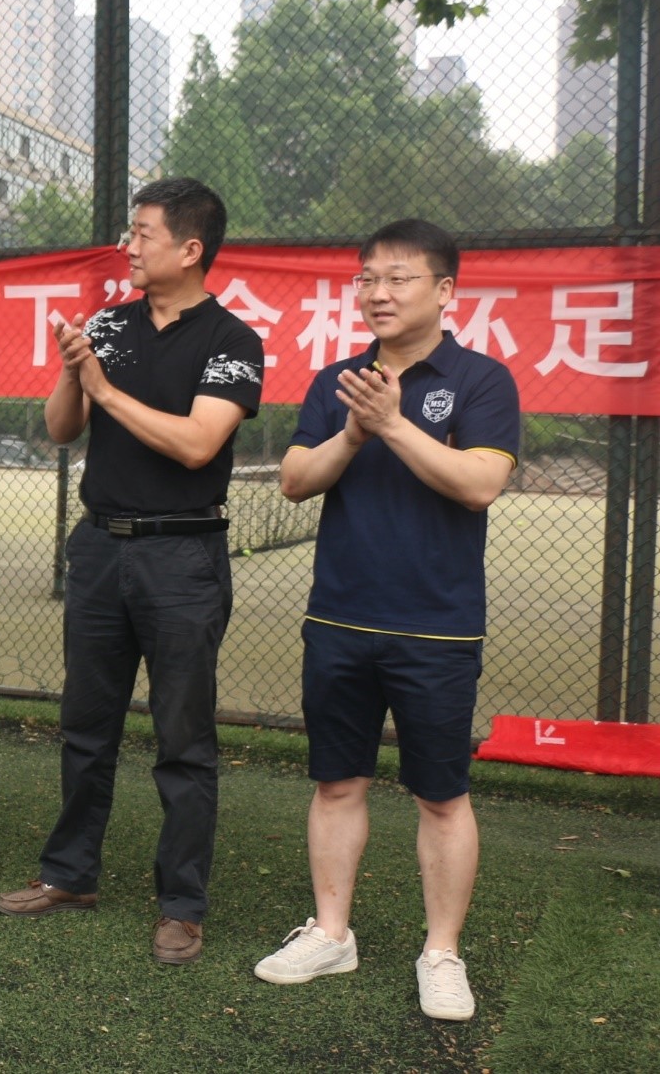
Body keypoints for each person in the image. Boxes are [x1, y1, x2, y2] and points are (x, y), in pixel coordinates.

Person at [253, 219, 518, 1022]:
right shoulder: (338, 380)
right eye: (366, 278)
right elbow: (295, 479)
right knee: (337, 781)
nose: (377, 292)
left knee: (440, 794)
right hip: (337, 617)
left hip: (437, 627)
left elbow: (478, 484)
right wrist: (353, 429)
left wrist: (394, 424)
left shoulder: (480, 380)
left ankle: (441, 952)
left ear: (444, 290)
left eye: (398, 278)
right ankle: (331, 933)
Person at [0, 177, 264, 965]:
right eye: (129, 231)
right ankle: (68, 873)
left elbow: (196, 444)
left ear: (189, 248)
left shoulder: (231, 340)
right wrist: (73, 369)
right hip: (99, 548)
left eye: (143, 232)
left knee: (182, 738)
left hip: (181, 556)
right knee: (85, 725)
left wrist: (104, 388)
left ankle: (180, 904)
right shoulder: (108, 324)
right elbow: (60, 428)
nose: (128, 245)